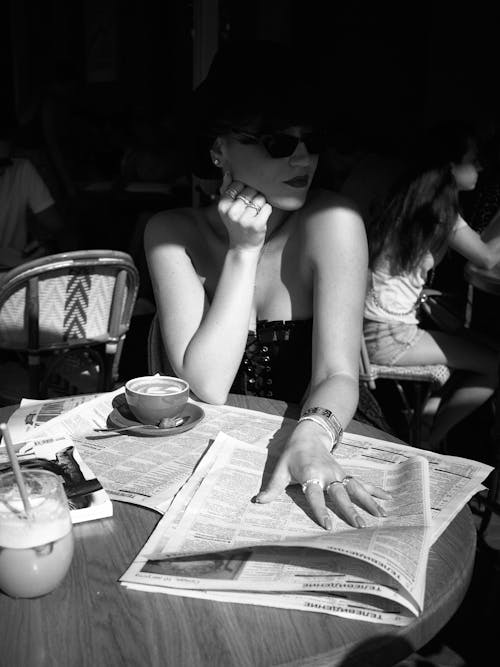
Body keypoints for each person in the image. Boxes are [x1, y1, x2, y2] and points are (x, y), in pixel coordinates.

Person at [145, 40, 390, 530]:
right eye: (278, 142)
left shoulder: (334, 220)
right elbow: (207, 384)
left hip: (327, 426)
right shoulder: (171, 232)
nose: (302, 157)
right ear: (219, 149)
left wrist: (313, 435)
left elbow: (340, 371)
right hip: (221, 449)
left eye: (312, 140)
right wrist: (243, 250)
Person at [364, 120, 500, 451]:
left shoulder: (410, 200)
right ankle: (428, 444)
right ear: (449, 166)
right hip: (389, 335)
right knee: (495, 365)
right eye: (473, 158)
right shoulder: (438, 212)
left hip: (378, 326)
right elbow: (486, 260)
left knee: (481, 348)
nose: (480, 166)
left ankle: (427, 420)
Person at [0, 121, 67, 268]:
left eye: (3, 164)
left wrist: (45, 243)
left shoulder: (20, 170)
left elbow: (55, 224)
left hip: (15, 273)